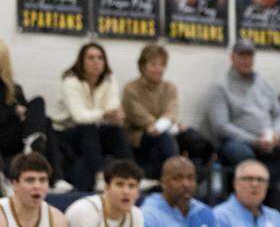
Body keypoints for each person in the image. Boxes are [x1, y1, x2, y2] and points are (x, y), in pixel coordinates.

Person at [122, 44, 214, 181]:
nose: (158, 69)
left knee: (196, 139)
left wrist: (166, 125)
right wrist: (167, 125)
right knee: (163, 138)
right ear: (143, 66)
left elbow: (171, 112)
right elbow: (140, 117)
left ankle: (194, 179)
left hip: (166, 129)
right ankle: (173, 178)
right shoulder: (131, 89)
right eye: (153, 64)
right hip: (140, 135)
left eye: (161, 65)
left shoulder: (169, 87)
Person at [47, 43, 131, 191]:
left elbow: (114, 107)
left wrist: (114, 115)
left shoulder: (109, 79)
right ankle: (100, 177)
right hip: (65, 132)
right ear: (81, 61)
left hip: (93, 129)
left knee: (116, 130)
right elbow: (80, 116)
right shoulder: (70, 81)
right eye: (90, 58)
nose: (96, 62)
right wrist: (105, 114)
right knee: (88, 128)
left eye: (100, 58)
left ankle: (131, 176)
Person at [209, 39, 280, 168]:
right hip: (243, 142)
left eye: (250, 55)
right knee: (239, 151)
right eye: (242, 55)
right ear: (232, 58)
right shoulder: (221, 88)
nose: (247, 60)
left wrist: (277, 133)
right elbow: (221, 126)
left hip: (271, 139)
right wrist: (255, 141)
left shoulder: (265, 84)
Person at [0, 39, 64, 187]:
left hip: (16, 135)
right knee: (45, 122)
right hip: (2, 136)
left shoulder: (13, 88)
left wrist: (21, 114)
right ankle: (34, 142)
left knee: (40, 107)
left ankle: (34, 140)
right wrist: (13, 111)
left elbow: (26, 111)